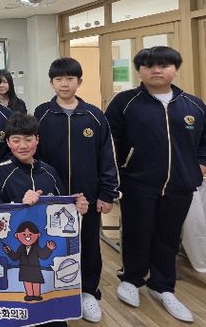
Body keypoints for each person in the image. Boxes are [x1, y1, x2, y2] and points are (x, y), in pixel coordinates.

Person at [105, 46, 206, 323]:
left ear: (176, 69)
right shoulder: (125, 102)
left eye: (164, 65)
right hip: (137, 183)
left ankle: (163, 286)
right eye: (149, 66)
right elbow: (110, 141)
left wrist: (200, 163)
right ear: (140, 71)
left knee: (169, 236)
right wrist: (117, 173)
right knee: (137, 231)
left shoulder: (193, 105)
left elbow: (204, 142)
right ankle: (131, 279)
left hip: (180, 184)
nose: (157, 70)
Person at [33, 57, 119, 323]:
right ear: (51, 82)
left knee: (89, 244)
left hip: (87, 196)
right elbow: (33, 155)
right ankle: (53, 291)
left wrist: (107, 193)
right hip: (51, 198)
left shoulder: (94, 115)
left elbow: (107, 156)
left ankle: (88, 292)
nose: (64, 84)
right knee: (50, 245)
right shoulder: (41, 114)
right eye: (59, 79)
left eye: (70, 78)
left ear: (79, 81)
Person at [0, 113, 88, 214]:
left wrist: (76, 206)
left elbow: (62, 208)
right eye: (16, 141)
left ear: (37, 139)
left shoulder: (50, 172)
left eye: (28, 140)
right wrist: (21, 204)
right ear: (8, 142)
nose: (23, 146)